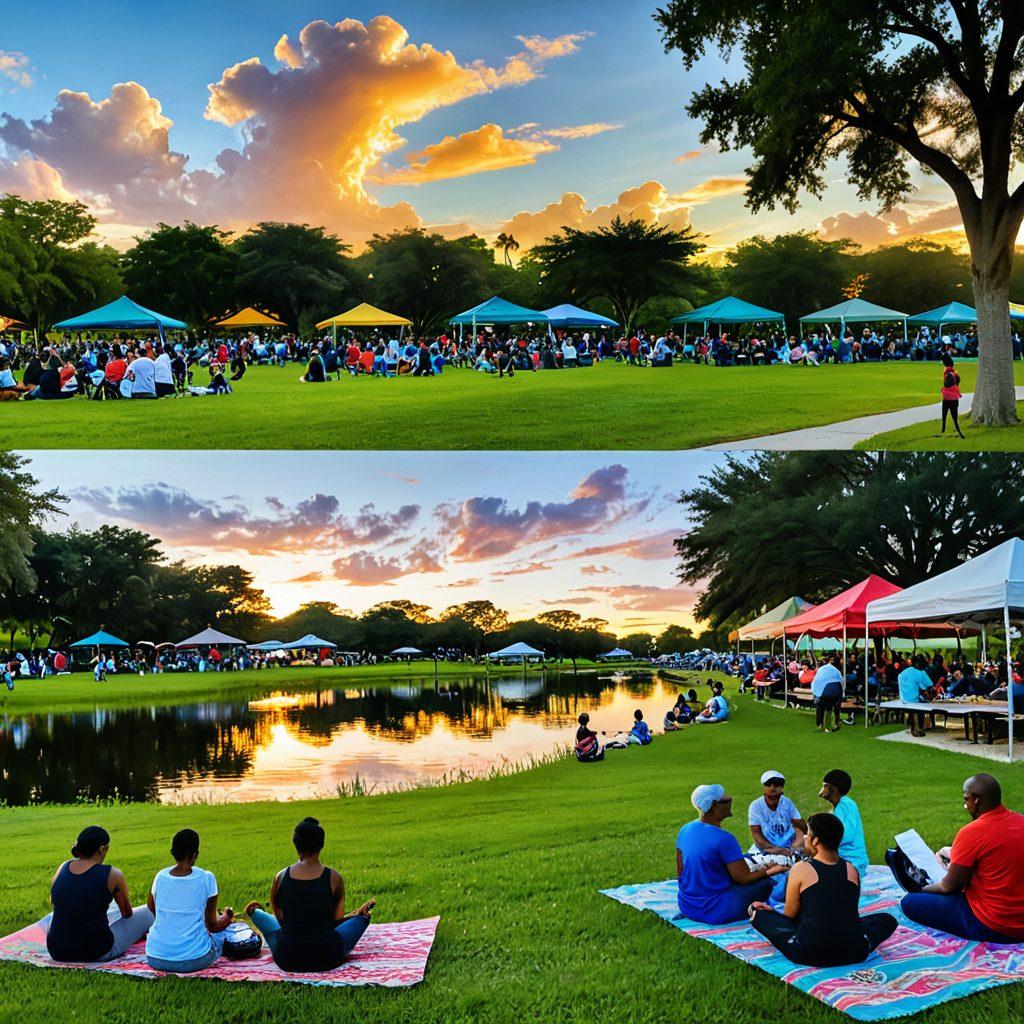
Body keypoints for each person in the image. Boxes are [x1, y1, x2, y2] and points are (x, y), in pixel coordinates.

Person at [749, 812, 897, 967]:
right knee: (886, 919)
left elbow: (789, 917)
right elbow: (847, 912)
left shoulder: (800, 868)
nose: (805, 838)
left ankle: (760, 913)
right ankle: (858, 940)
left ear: (815, 840)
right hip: (855, 951)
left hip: (809, 953)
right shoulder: (851, 869)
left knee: (758, 913)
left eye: (807, 835)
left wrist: (770, 913)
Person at [900, 774, 1024, 943]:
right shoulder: (1020, 821)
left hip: (995, 924)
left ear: (977, 799)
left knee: (909, 902)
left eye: (966, 800)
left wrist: (922, 888)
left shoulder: (972, 832)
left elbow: (949, 887)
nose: (966, 806)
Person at [245, 817, 375, 972]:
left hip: (287, 958)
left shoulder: (280, 877)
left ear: (295, 844)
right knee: (363, 918)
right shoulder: (334, 878)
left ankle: (255, 913)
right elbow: (336, 922)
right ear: (321, 844)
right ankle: (362, 916)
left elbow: (281, 920)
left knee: (272, 928)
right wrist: (356, 915)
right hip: (328, 958)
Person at [676, 784, 787, 924]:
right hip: (714, 910)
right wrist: (770, 871)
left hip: (687, 905)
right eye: (725, 798)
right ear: (715, 805)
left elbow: (680, 870)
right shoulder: (724, 839)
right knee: (767, 883)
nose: (730, 798)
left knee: (745, 859)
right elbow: (742, 878)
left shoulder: (685, 829)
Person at [44, 825, 154, 963]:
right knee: (148, 912)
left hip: (57, 950)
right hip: (97, 951)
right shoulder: (112, 874)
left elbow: (55, 900)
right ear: (102, 849)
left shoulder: (63, 867)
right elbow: (127, 913)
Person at [145, 828, 234, 973]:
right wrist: (227, 918)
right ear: (195, 855)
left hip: (155, 957)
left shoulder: (160, 877)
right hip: (193, 960)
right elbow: (212, 926)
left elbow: (151, 906)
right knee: (220, 935)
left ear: (173, 852)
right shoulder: (207, 878)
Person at [818, 769, 869, 877]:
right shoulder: (841, 807)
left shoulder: (845, 805)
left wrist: (822, 842)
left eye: (825, 786)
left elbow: (846, 836)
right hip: (846, 862)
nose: (820, 792)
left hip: (853, 863)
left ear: (834, 789)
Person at [748, 771, 806, 857]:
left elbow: (800, 827)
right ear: (764, 789)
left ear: (782, 790)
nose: (773, 789)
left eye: (777, 785)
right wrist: (777, 850)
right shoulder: (756, 806)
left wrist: (793, 848)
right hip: (765, 851)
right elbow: (756, 832)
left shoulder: (787, 803)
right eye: (769, 785)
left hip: (788, 850)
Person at [898, 654, 933, 736]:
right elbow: (930, 686)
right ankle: (916, 730)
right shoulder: (921, 673)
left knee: (912, 707)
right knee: (920, 706)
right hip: (913, 699)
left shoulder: (906, 671)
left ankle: (910, 728)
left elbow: (901, 678)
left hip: (903, 698)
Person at [811, 656, 844, 732]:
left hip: (823, 695)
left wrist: (816, 692)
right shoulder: (837, 671)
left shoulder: (822, 670)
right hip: (835, 695)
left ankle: (820, 724)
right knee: (830, 708)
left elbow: (815, 683)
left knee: (820, 705)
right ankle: (832, 725)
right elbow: (842, 684)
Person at [938, 356, 966, 439]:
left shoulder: (946, 373)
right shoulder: (955, 373)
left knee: (944, 414)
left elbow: (945, 383)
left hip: (946, 398)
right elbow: (958, 380)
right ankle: (959, 432)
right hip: (954, 398)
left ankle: (943, 428)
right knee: (955, 417)